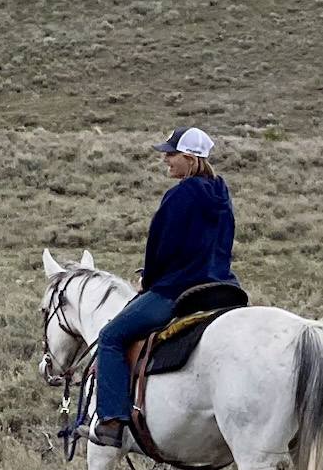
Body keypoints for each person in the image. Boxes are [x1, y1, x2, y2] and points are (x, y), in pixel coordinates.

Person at [91, 126, 239, 447]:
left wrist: (149, 277)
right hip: (222, 288)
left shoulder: (179, 195)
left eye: (170, 154)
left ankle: (112, 421)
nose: (165, 160)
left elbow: (162, 246)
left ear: (189, 158)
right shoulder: (222, 193)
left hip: (178, 291)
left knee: (111, 338)